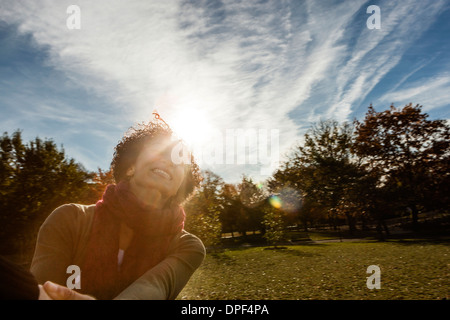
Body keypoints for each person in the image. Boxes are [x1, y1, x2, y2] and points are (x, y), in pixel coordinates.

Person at [30, 114, 205, 300]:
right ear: (131, 166)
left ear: (180, 185)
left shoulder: (188, 246)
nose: (170, 161)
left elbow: (153, 287)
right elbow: (39, 292)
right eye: (160, 151)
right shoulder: (69, 218)